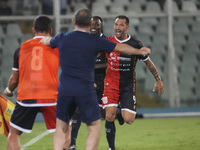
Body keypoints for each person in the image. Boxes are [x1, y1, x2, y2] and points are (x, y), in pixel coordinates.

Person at [40, 8, 151, 150]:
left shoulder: (63, 37)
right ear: (90, 23)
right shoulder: (95, 41)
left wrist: (41, 39)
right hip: (86, 89)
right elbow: (121, 48)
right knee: (94, 126)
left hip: (66, 89)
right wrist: (139, 51)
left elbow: (47, 41)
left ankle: (67, 145)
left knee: (61, 127)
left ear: (73, 21)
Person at [101, 15, 164, 150]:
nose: (118, 28)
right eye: (116, 24)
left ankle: (120, 112)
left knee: (129, 119)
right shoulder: (107, 42)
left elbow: (148, 62)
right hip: (110, 84)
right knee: (109, 115)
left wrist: (158, 79)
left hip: (127, 85)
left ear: (127, 27)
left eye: (121, 25)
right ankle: (111, 148)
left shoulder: (135, 44)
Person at [3, 15, 60, 150]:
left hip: (27, 96)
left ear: (33, 30)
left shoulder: (21, 49)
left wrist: (9, 90)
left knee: (14, 132)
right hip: (51, 96)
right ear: (50, 30)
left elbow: (15, 79)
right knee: (63, 131)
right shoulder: (57, 48)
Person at [65, 15, 107, 150]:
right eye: (92, 24)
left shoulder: (107, 41)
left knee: (104, 113)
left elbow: (110, 63)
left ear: (101, 26)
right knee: (77, 110)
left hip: (103, 81)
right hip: (85, 80)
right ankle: (72, 143)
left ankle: (107, 144)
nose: (94, 26)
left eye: (97, 24)